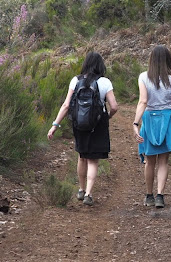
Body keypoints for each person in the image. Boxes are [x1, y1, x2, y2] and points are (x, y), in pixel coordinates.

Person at [47, 52, 118, 206]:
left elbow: (66, 105)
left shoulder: (76, 80)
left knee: (82, 156)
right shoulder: (105, 82)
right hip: (97, 124)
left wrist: (55, 125)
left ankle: (80, 189)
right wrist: (107, 117)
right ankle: (88, 193)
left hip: (79, 122)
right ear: (100, 65)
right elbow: (114, 106)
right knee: (93, 160)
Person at [133, 45, 171, 208]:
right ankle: (160, 196)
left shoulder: (143, 77)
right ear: (168, 60)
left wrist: (135, 123)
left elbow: (143, 101)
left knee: (149, 161)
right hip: (166, 121)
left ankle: (149, 195)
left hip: (149, 119)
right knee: (163, 161)